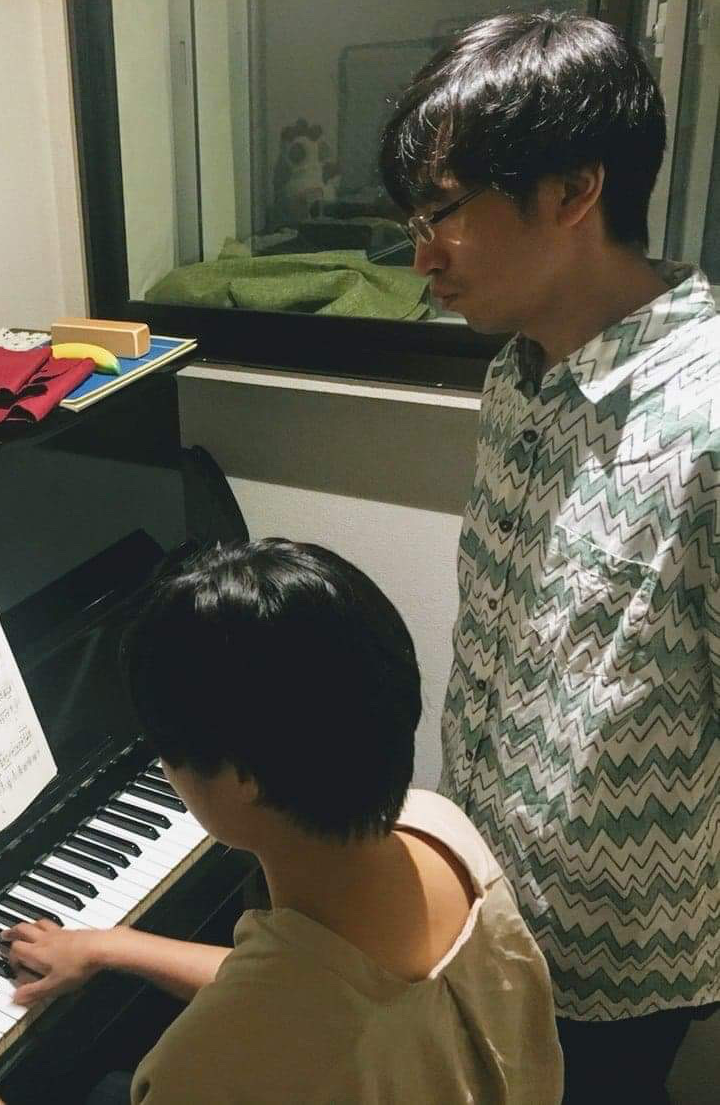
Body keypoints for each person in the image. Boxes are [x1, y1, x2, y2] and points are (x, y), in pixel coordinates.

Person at [0, 539, 562, 1104]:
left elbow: (281, 1017)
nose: (165, 767)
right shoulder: (435, 828)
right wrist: (111, 945)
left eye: (165, 748)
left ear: (243, 778)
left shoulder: (211, 1065)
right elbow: (301, 987)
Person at [379, 10, 720, 1104]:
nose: (421, 256)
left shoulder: (707, 416)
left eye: (442, 213)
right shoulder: (517, 374)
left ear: (573, 191)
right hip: (491, 901)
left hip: (623, 961)